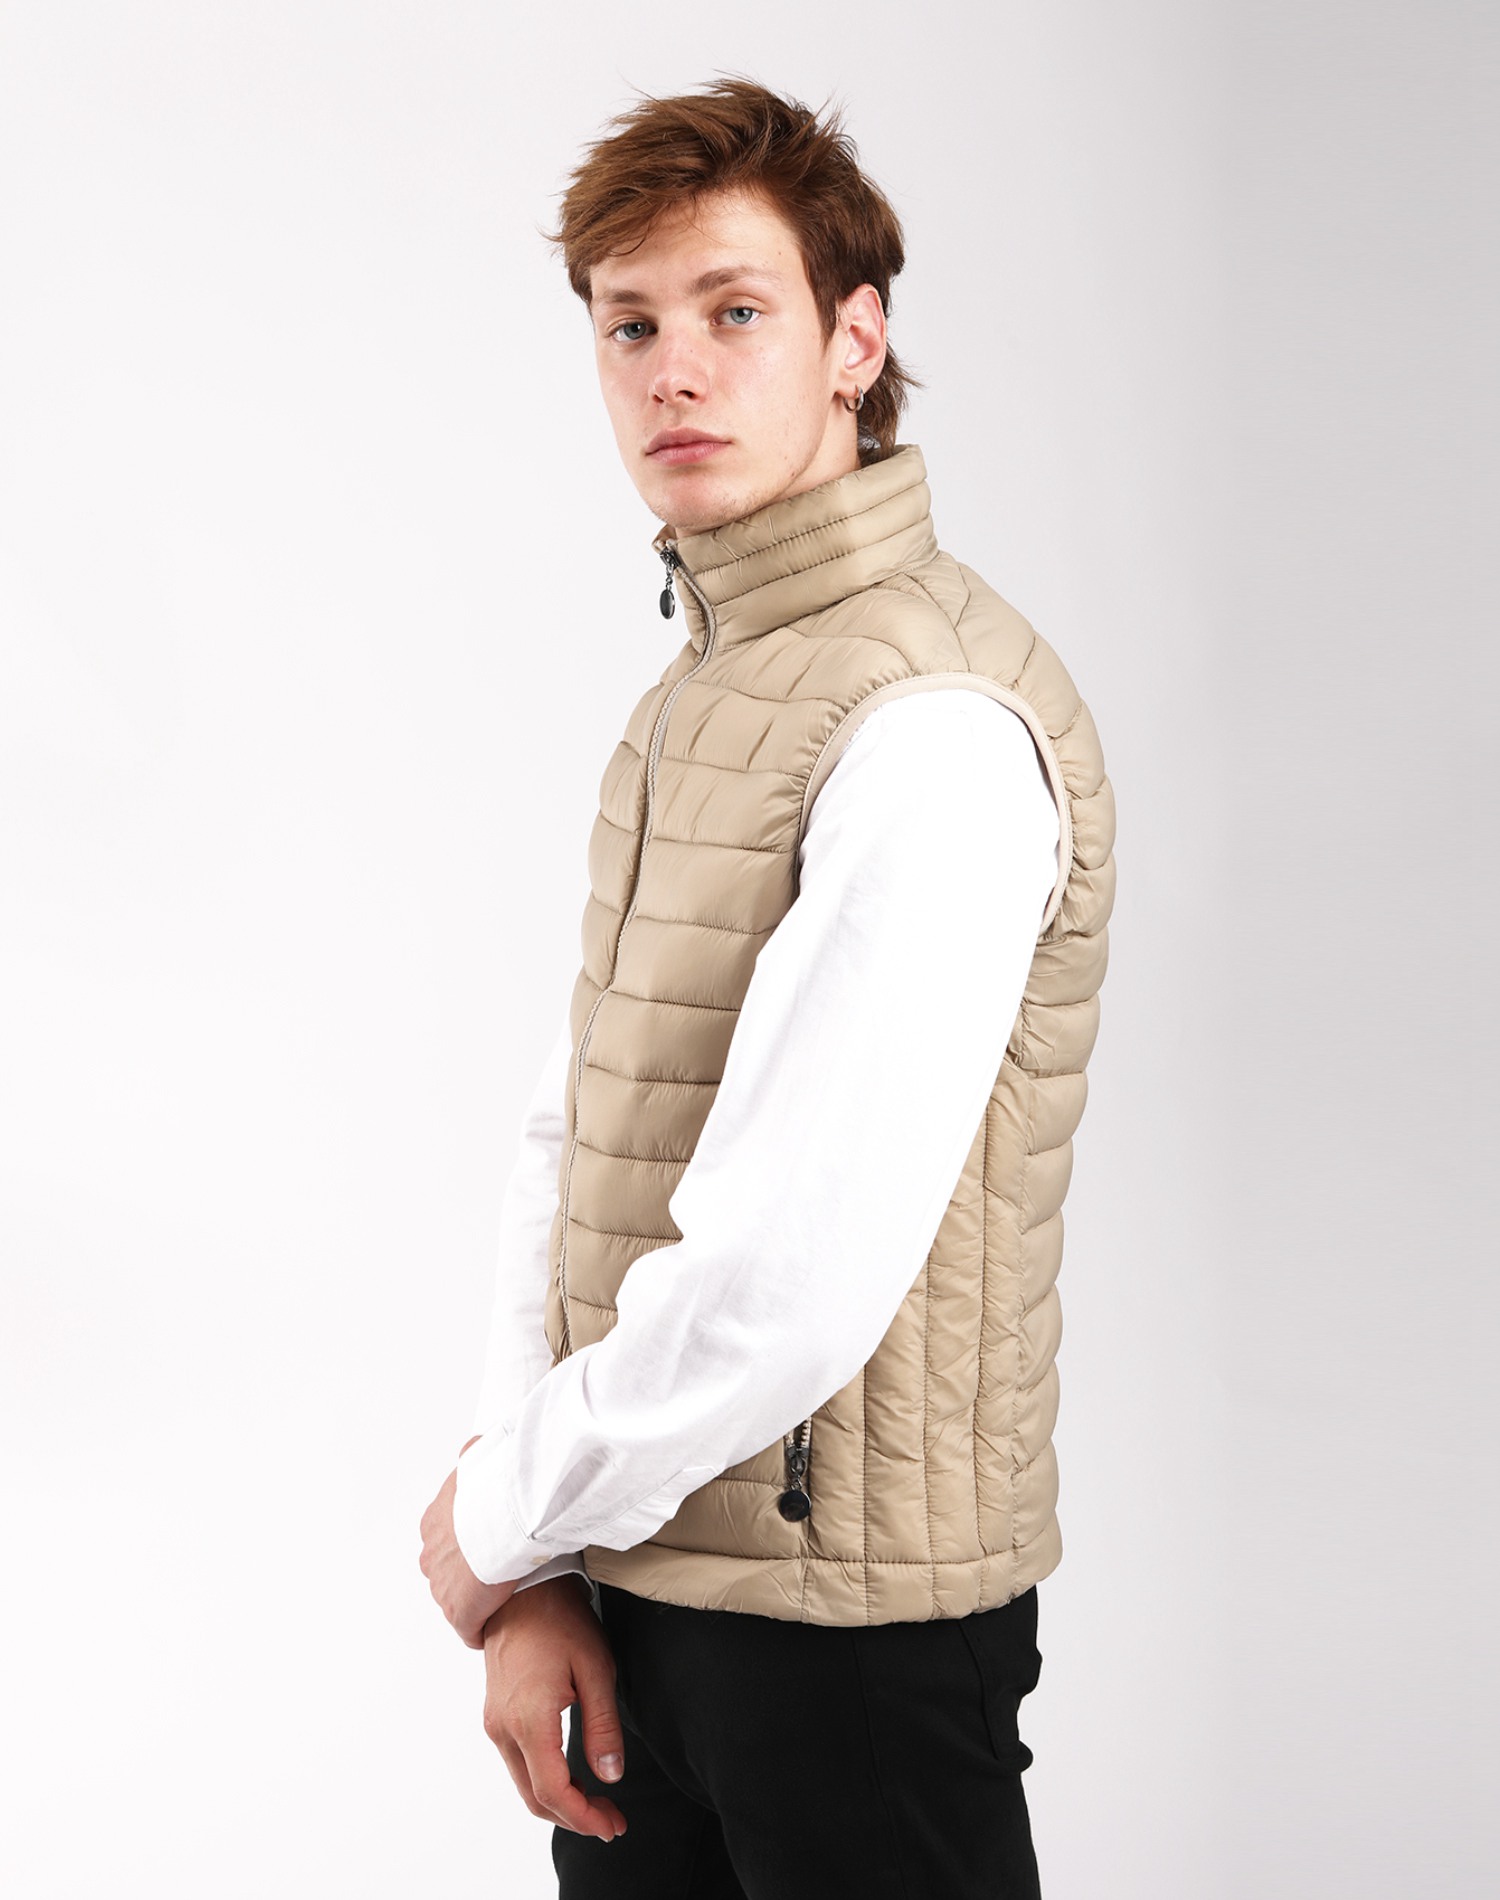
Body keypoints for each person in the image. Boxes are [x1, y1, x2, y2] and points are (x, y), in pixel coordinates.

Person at [419, 77, 1115, 1898]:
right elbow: (577, 1134)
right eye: (629, 326)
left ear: (854, 343)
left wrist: (501, 1515)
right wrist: (536, 1567)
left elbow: (783, 1287)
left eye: (735, 312)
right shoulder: (705, 698)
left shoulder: (933, 722)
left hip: (850, 1648)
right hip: (634, 1601)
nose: (675, 373)